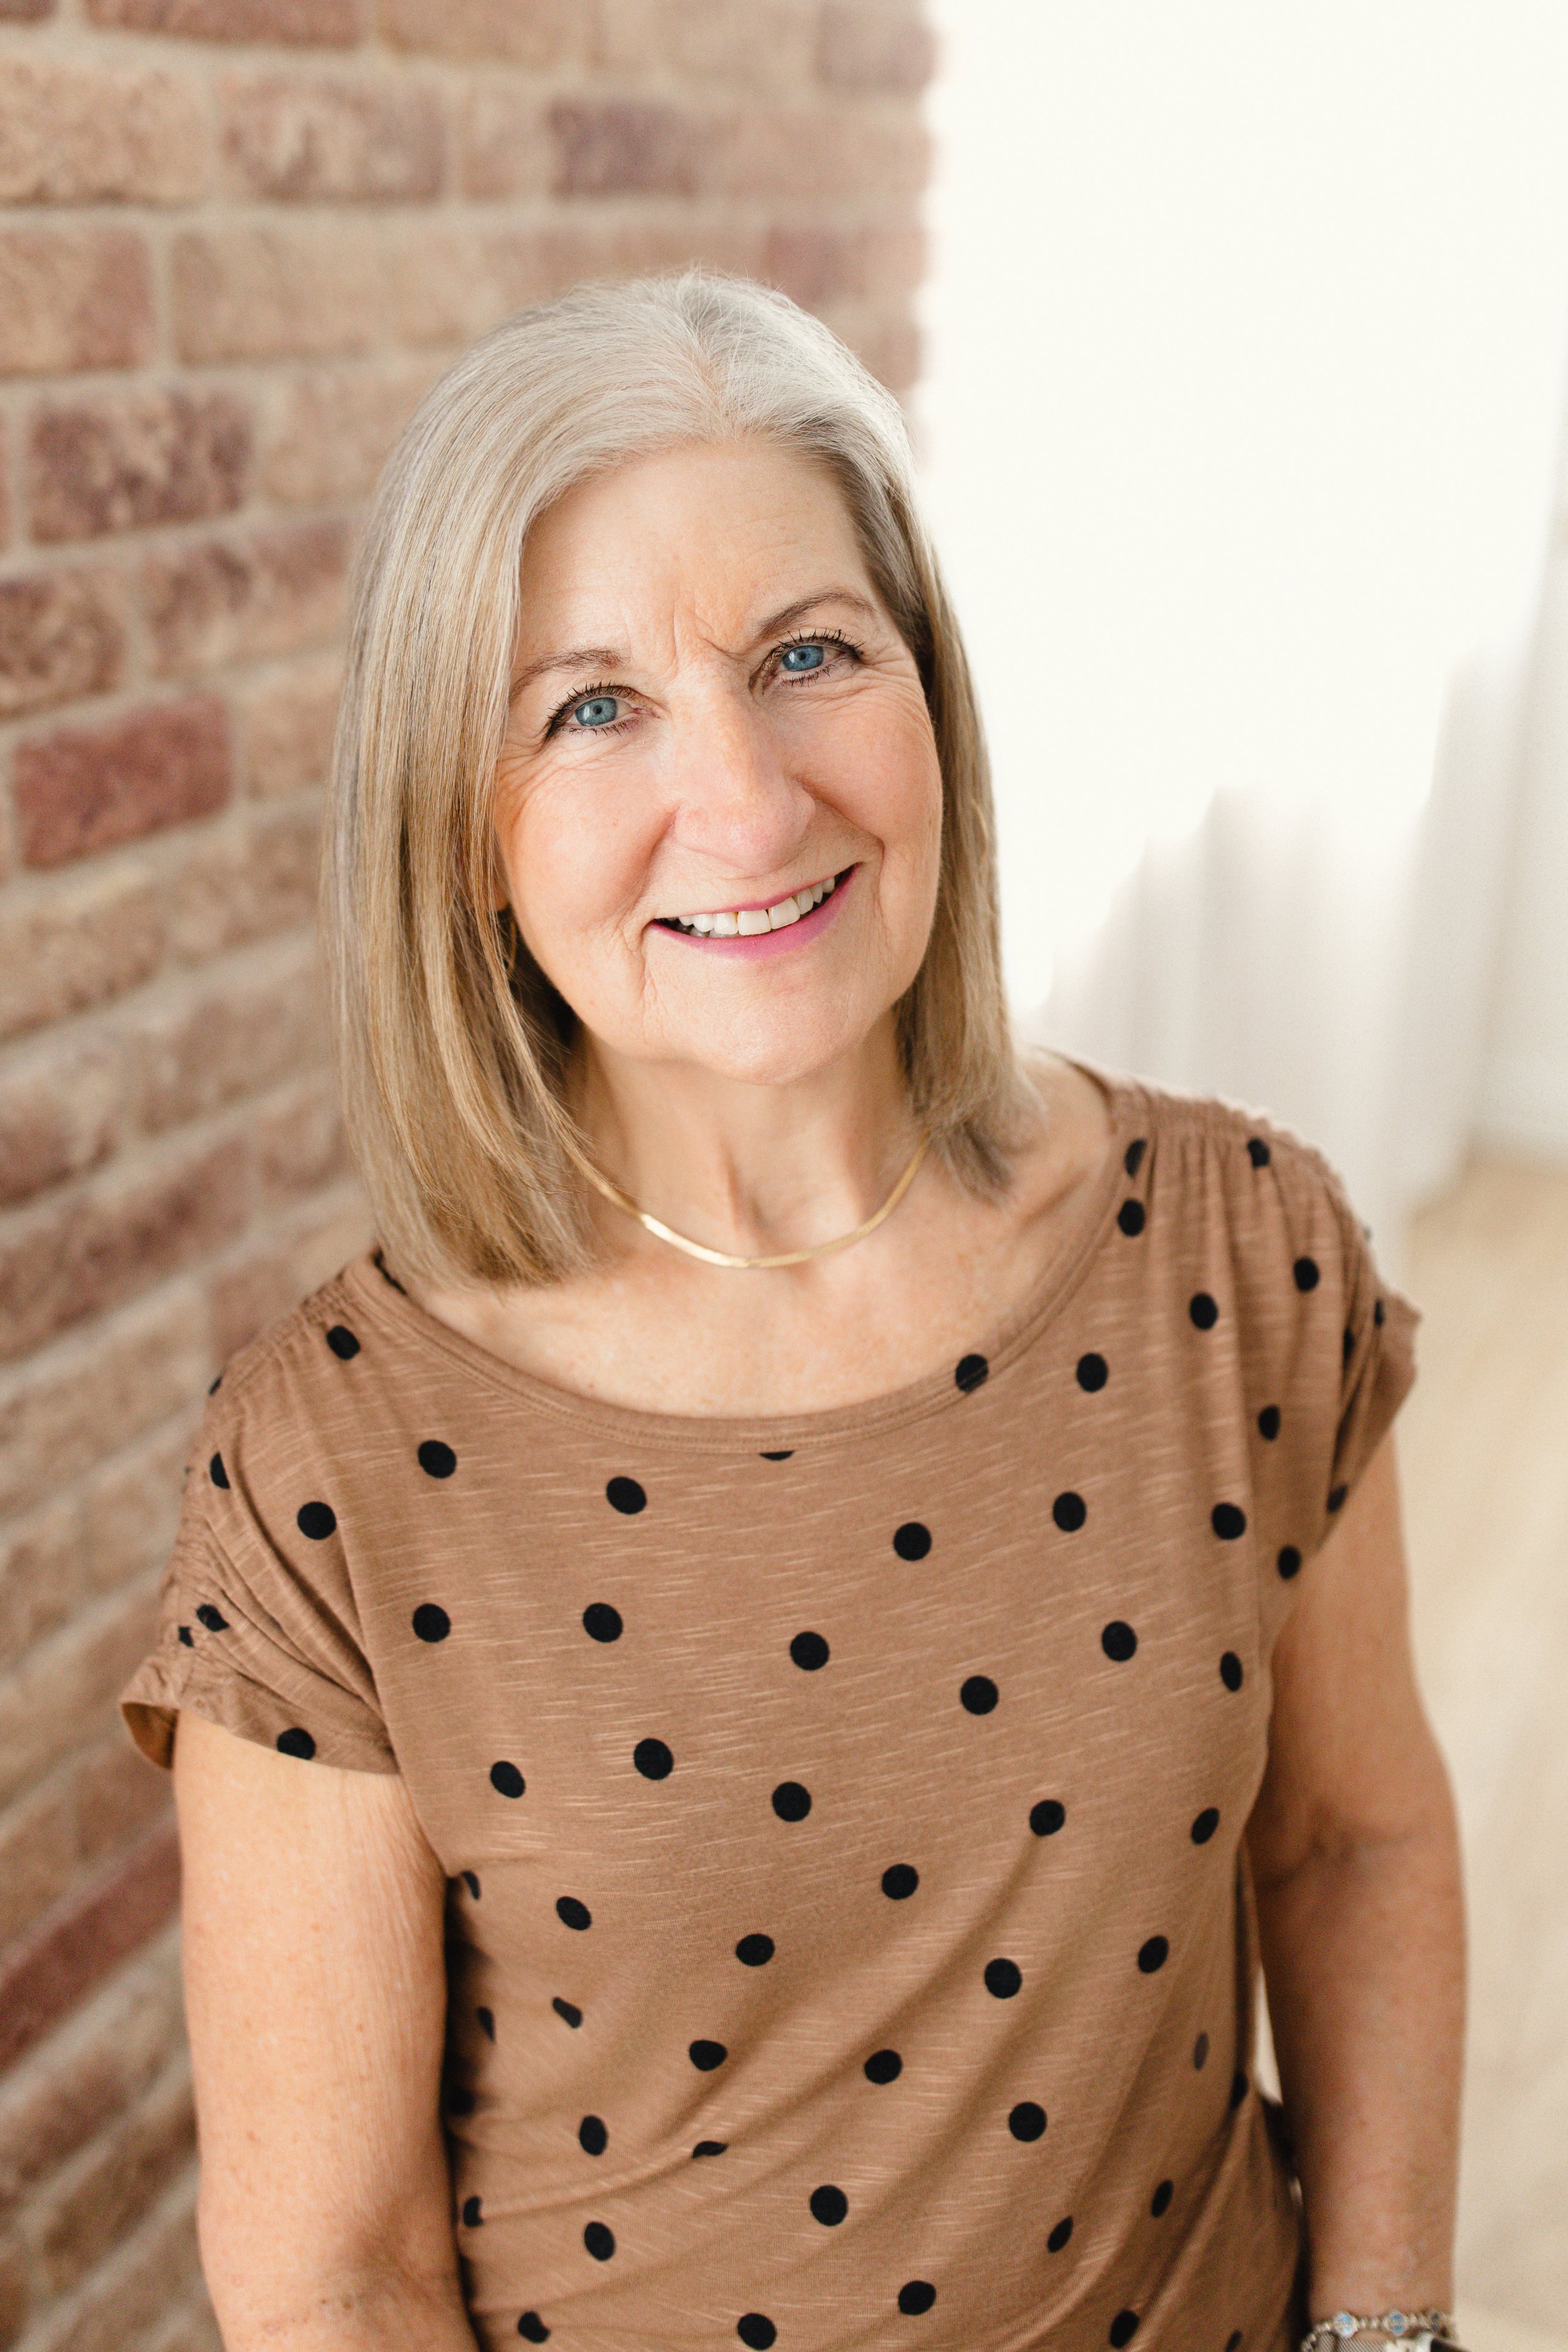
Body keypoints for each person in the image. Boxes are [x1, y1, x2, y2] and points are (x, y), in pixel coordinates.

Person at [122, 273, 1465, 2352]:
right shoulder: (335, 1468)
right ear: (454, 837)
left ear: (929, 695)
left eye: (807, 657)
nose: (745, 807)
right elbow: (331, 2279)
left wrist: (1385, 2334)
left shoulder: (1241, 1254)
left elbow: (1353, 1847)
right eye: (590, 707)